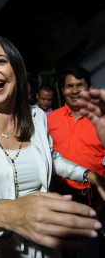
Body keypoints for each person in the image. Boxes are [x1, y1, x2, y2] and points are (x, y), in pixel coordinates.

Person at [0, 36, 105, 258]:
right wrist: (6, 213)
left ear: (18, 71)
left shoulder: (37, 117)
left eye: (0, 61)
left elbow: (51, 158)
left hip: (44, 250)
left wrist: (90, 176)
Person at [47, 67, 105, 257]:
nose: (74, 90)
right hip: (59, 196)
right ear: (62, 90)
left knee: (90, 252)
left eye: (79, 85)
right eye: (69, 86)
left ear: (90, 87)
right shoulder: (49, 120)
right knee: (63, 252)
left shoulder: (100, 119)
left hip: (94, 198)